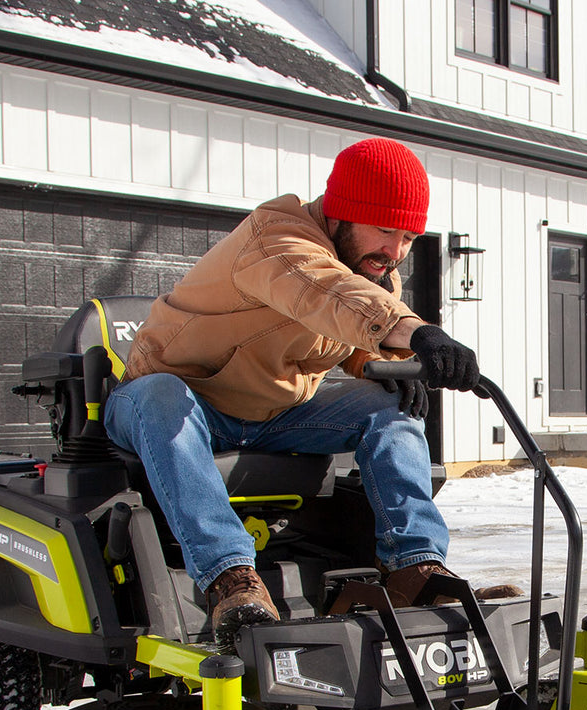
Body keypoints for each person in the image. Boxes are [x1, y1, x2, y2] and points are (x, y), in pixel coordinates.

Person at [105, 136, 516, 647]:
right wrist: (418, 332)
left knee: (387, 410)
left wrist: (381, 365)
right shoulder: (276, 240)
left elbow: (345, 337)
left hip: (273, 413)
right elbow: (329, 296)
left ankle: (416, 568)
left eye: (409, 236)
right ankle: (231, 578)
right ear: (341, 214)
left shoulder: (370, 271)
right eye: (385, 229)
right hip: (172, 402)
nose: (396, 251)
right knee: (161, 394)